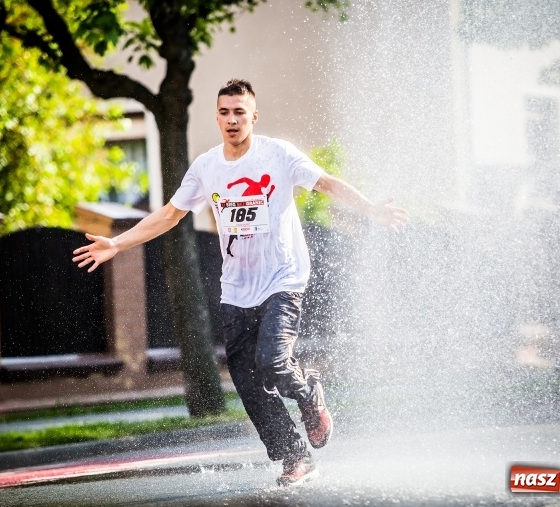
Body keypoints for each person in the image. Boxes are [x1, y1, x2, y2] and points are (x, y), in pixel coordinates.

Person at [73, 78, 407, 486]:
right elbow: (168, 215)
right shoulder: (207, 167)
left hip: (283, 280)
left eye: (240, 112)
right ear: (217, 117)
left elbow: (325, 183)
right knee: (248, 381)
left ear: (253, 116)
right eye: (225, 112)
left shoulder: (278, 155)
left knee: (273, 362)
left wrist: (370, 209)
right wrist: (117, 243)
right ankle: (293, 457)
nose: (232, 120)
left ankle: (308, 395)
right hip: (236, 289)